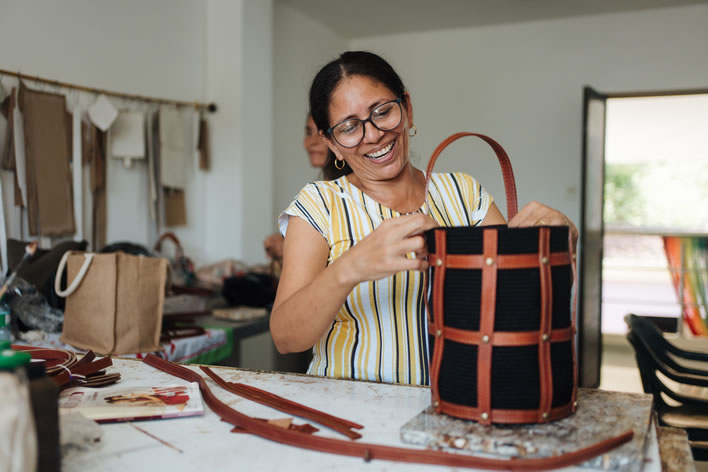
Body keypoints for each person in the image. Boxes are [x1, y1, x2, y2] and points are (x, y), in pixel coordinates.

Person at [270, 51, 577, 386]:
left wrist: (554, 253)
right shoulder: (318, 205)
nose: (372, 135)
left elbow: (522, 309)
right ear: (332, 143)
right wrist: (351, 267)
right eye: (349, 128)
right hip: (349, 412)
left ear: (408, 109)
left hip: (460, 402)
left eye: (382, 112)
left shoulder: (465, 194)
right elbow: (286, 339)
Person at [263, 113, 329, 259]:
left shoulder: (347, 193)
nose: (311, 142)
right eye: (308, 132)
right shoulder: (317, 191)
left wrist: (290, 247)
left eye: (322, 133)